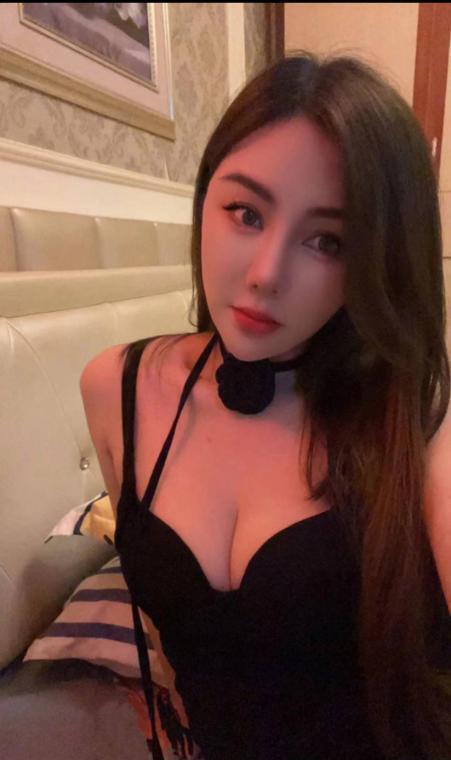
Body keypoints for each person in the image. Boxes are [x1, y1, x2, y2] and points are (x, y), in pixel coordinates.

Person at [80, 50, 451, 760]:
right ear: (204, 201)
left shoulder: (417, 416)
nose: (264, 274)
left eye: (326, 240)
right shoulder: (115, 388)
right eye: (245, 212)